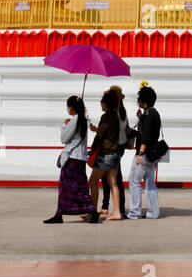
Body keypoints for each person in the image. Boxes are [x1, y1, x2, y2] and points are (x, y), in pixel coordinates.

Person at [44, 95, 99, 224]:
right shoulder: (83, 119)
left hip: (72, 159)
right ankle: (89, 211)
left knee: (65, 187)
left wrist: (64, 125)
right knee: (80, 187)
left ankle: (62, 213)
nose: (67, 109)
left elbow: (63, 139)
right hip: (80, 159)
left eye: (68, 107)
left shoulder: (75, 120)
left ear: (72, 108)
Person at [127, 83, 162, 219]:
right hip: (153, 155)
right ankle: (153, 212)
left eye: (139, 100)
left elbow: (146, 137)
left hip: (145, 154)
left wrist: (140, 154)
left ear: (144, 102)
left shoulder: (149, 115)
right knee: (150, 183)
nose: (138, 102)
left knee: (134, 181)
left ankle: (134, 212)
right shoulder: (153, 113)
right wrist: (140, 118)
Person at [88, 89, 122, 220]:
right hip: (114, 154)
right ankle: (117, 211)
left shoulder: (106, 117)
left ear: (106, 104)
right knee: (113, 183)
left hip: (105, 155)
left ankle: (93, 212)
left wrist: (92, 148)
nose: (100, 104)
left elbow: (100, 136)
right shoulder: (116, 116)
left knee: (92, 182)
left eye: (101, 102)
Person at [101, 85, 129, 216]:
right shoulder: (123, 111)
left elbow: (110, 132)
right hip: (121, 146)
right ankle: (118, 208)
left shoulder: (114, 113)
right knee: (115, 178)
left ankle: (111, 207)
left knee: (111, 178)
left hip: (113, 147)